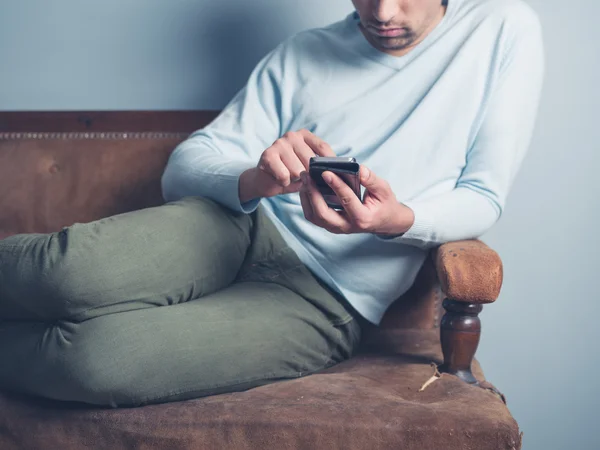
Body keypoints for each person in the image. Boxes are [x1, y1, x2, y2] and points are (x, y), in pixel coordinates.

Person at [0, 0, 544, 408]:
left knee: (95, 360)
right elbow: (188, 163)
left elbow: (483, 196)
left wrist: (397, 221)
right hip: (237, 226)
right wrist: (256, 178)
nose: (383, 13)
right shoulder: (303, 53)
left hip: (323, 302)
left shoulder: (500, 30)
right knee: (63, 272)